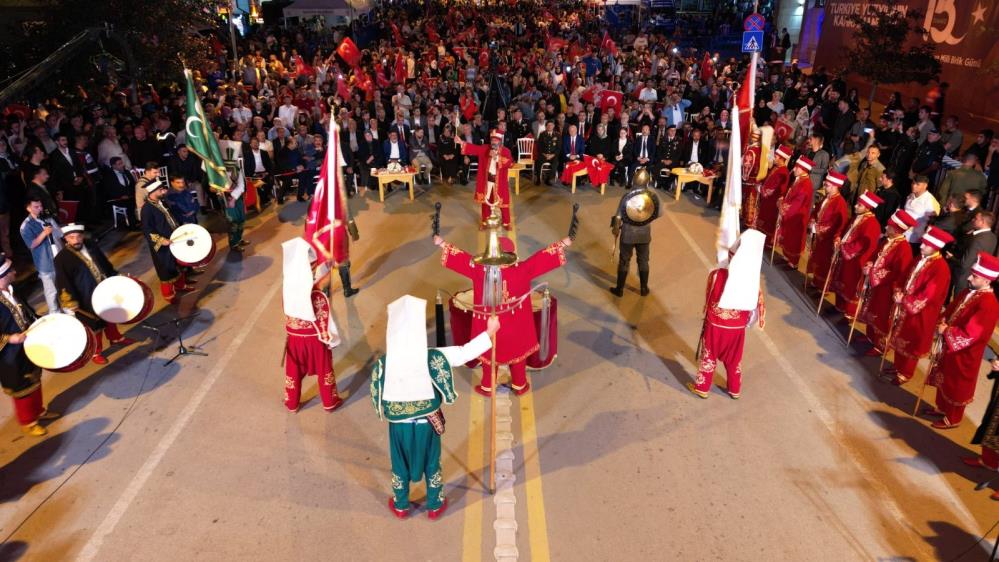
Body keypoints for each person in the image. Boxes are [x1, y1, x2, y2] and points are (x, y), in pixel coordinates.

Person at [371, 294, 499, 520]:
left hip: (398, 426)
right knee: (432, 461)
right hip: (426, 424)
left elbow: (377, 396)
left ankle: (401, 505)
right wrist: (489, 332)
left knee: (399, 463)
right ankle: (435, 503)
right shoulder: (431, 357)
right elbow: (463, 353)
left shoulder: (385, 363)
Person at [435, 214, 570, 395]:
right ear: (512, 255)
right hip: (516, 325)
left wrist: (442, 243)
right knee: (517, 357)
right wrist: (562, 243)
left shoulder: (479, 269)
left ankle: (487, 386)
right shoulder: (523, 269)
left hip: (489, 324)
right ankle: (520, 385)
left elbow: (461, 259)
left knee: (489, 356)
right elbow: (542, 258)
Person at [688, 230, 766, 399]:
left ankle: (702, 387)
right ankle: (734, 389)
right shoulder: (753, 284)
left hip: (715, 326)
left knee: (709, 356)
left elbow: (709, 299)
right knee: (734, 360)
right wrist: (742, 323)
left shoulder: (717, 275)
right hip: (737, 329)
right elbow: (755, 312)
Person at [924, 253, 999, 429]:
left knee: (957, 385)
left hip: (965, 353)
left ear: (987, 281)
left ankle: (953, 419)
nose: (969, 277)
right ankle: (942, 408)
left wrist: (947, 332)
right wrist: (943, 320)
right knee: (945, 377)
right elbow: (952, 308)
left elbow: (974, 333)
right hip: (951, 347)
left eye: (975, 276)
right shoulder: (969, 291)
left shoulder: (989, 304)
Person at [53, 224, 136, 365]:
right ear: (66, 239)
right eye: (72, 238)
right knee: (94, 324)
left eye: (79, 236)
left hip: (103, 288)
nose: (76, 240)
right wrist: (70, 302)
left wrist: (114, 276)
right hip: (85, 295)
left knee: (110, 314)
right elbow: (63, 281)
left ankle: (115, 338)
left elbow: (104, 263)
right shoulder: (62, 258)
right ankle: (96, 352)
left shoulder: (90, 245)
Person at [882, 226, 953, 385]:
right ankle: (897, 366)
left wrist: (905, 301)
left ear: (935, 247)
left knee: (911, 343)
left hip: (920, 313)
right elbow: (905, 275)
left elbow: (928, 295)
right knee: (898, 336)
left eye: (925, 244)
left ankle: (905, 373)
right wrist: (898, 290)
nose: (921, 246)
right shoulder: (920, 257)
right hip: (905, 305)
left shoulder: (941, 268)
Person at [281, 238, 344, 413]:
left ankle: (292, 403)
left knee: (293, 372)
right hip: (314, 340)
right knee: (324, 371)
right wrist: (331, 339)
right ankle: (329, 402)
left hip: (294, 339)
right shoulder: (317, 295)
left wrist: (326, 268)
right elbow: (325, 321)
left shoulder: (287, 289)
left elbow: (313, 280)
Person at [0, 256, 58, 436]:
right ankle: (28, 421)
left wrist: (39, 320)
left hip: (27, 343)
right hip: (9, 354)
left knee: (34, 377)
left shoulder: (11, 289)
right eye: (11, 271)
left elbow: (25, 310)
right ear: (2, 275)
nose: (15, 272)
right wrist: (10, 339)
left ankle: (39, 411)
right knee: (21, 386)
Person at [859, 210, 917, 353]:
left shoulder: (904, 248)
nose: (886, 228)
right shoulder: (887, 240)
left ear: (897, 229)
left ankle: (880, 346)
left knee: (882, 316)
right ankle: (870, 337)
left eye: (889, 226)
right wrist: (869, 264)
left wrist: (874, 273)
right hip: (876, 284)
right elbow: (875, 255)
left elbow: (898, 273)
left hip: (887, 289)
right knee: (872, 310)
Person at [140, 181, 195, 302]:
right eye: (161, 190)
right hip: (161, 245)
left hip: (173, 239)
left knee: (178, 265)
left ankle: (181, 286)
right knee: (166, 269)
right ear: (153, 192)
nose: (164, 191)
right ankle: (169, 295)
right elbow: (147, 229)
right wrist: (160, 240)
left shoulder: (161, 202)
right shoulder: (147, 209)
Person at [831, 192, 883, 318]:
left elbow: (862, 244)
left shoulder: (872, 223)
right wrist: (838, 238)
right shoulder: (856, 217)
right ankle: (839, 305)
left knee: (851, 285)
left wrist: (844, 248)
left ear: (867, 207)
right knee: (841, 280)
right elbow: (846, 230)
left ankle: (850, 312)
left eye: (859, 205)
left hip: (857, 260)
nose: (855, 206)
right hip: (845, 255)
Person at [609, 168, 660, 297]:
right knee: (643, 260)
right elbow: (656, 214)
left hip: (628, 234)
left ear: (634, 180)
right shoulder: (652, 197)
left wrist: (615, 228)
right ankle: (643, 288)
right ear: (647, 182)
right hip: (644, 233)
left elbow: (618, 216)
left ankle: (619, 289)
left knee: (624, 260)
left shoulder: (627, 196)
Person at [456, 131, 515, 229]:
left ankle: (506, 223)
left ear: (500, 141)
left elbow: (509, 163)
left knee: (503, 201)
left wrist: (496, 157)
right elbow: (474, 148)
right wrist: (461, 142)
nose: (493, 142)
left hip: (499, 181)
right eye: (492, 140)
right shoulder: (485, 148)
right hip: (487, 180)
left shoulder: (506, 151)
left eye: (496, 140)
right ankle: (484, 221)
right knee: (485, 201)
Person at [807, 170, 850, 291]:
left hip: (828, 239)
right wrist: (812, 221)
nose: (825, 187)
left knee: (824, 264)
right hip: (820, 237)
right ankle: (816, 281)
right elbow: (817, 211)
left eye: (827, 185)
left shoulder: (840, 203)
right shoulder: (827, 197)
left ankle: (823, 287)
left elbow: (837, 224)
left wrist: (818, 228)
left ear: (835, 186)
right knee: (817, 260)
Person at [19, 197, 63, 313]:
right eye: (36, 207)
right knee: (51, 291)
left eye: (41, 206)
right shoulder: (26, 226)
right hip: (45, 263)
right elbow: (31, 245)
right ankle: (55, 313)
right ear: (28, 208)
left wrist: (55, 230)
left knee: (64, 286)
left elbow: (59, 233)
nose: (40, 209)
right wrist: (44, 233)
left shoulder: (47, 218)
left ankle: (68, 308)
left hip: (59, 257)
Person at [776, 156, 815, 269]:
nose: (795, 169)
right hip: (791, 215)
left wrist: (783, 207)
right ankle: (787, 257)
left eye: (798, 167)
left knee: (794, 239)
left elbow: (797, 203)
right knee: (788, 237)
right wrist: (783, 199)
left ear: (804, 169)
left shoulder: (806, 184)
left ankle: (793, 262)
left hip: (796, 217)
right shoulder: (799, 179)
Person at [948, 210, 997, 296]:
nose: (972, 220)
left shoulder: (977, 240)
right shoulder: (993, 238)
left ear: (983, 222)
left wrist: (951, 257)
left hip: (963, 279)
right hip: (977, 280)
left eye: (976, 218)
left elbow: (965, 263)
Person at [757, 145, 792, 244]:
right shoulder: (776, 167)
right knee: (763, 219)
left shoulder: (784, 172)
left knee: (768, 222)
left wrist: (761, 189)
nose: (774, 158)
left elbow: (773, 188)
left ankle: (766, 243)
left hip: (772, 202)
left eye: (776, 156)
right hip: (766, 200)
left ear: (782, 158)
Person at [903, 175, 941, 254]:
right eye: (913, 183)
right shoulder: (910, 196)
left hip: (916, 239)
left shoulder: (930, 201)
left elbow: (933, 223)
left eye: (917, 184)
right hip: (903, 234)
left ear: (925, 185)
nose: (914, 186)